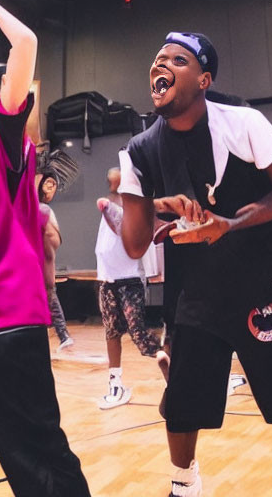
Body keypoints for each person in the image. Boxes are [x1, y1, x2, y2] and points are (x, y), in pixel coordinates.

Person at [117, 31, 272, 497]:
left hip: (260, 282)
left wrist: (229, 223)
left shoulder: (244, 122)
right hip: (194, 293)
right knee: (183, 401)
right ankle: (183, 484)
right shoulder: (139, 151)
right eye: (157, 59)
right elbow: (134, 245)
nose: (162, 65)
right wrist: (150, 207)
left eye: (177, 59)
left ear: (203, 79)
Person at [0, 0, 90, 497]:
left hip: (2, 323)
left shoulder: (2, 144)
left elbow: (25, 44)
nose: (15, 91)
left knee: (33, 456)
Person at [95, 167, 167, 409]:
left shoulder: (134, 207)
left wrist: (108, 207)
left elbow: (120, 226)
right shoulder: (111, 202)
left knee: (138, 333)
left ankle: (173, 378)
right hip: (107, 280)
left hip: (129, 280)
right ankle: (115, 384)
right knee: (112, 333)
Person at [38, 167, 74, 352]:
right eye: (49, 184)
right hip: (38, 266)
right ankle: (63, 335)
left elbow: (53, 242)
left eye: (53, 185)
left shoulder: (42, 210)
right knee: (48, 298)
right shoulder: (41, 210)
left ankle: (63, 335)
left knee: (49, 297)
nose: (51, 189)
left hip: (39, 266)